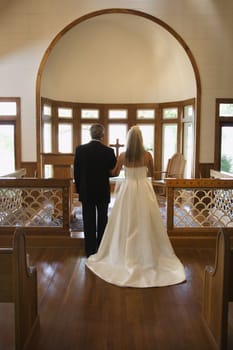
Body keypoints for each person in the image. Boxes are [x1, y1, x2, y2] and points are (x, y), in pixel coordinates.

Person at [86, 125, 186, 287]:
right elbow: (152, 174)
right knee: (146, 219)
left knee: (125, 220)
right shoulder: (147, 155)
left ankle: (125, 252)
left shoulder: (123, 155)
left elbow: (114, 173)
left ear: (128, 140)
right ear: (140, 140)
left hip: (128, 189)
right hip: (143, 189)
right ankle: (146, 252)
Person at [73, 123, 117, 257]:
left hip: (86, 190)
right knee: (103, 219)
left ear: (90, 134)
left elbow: (77, 172)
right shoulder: (109, 151)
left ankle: (90, 250)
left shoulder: (80, 150)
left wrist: (79, 189)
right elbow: (112, 171)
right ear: (102, 135)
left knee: (88, 219)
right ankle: (102, 248)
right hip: (102, 190)